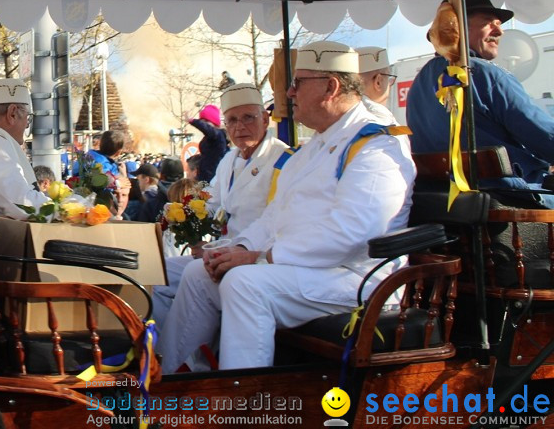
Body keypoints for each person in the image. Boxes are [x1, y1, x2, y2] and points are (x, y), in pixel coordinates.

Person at [160, 41, 414, 372]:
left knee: (244, 283)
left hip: (354, 275)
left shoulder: (376, 146)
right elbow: (273, 217)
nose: (290, 93)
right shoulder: (314, 148)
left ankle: (244, 405)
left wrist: (260, 258)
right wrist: (239, 247)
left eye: (298, 83)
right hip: (308, 268)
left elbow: (353, 234)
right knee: (199, 273)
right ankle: (165, 385)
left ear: (330, 87)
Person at [152, 83, 289, 327]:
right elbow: (211, 203)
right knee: (155, 275)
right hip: (221, 253)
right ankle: (167, 355)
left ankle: (190, 360)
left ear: (265, 119)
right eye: (232, 120)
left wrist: (224, 249)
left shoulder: (283, 159)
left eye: (248, 118)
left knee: (194, 280)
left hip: (254, 261)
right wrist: (191, 231)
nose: (240, 127)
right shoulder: (229, 159)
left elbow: (276, 224)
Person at [407, 0, 554, 207]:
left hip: (441, 200)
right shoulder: (487, 74)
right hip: (506, 197)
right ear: (457, 28)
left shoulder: (419, 82)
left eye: (499, 24)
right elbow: (544, 136)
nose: (500, 31)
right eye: (488, 22)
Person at [0, 79, 48, 220]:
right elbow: (21, 204)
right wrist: (64, 207)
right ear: (12, 113)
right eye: (27, 118)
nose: (26, 125)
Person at [188, 105, 229, 183]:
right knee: (191, 194)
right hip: (204, 177)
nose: (202, 123)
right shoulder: (208, 137)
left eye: (206, 121)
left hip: (213, 179)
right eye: (201, 121)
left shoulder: (218, 135)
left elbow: (208, 129)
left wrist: (193, 121)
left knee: (197, 195)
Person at [357, 46, 397, 125]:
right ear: (378, 82)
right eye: (389, 78)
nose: (390, 85)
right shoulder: (381, 120)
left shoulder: (339, 116)